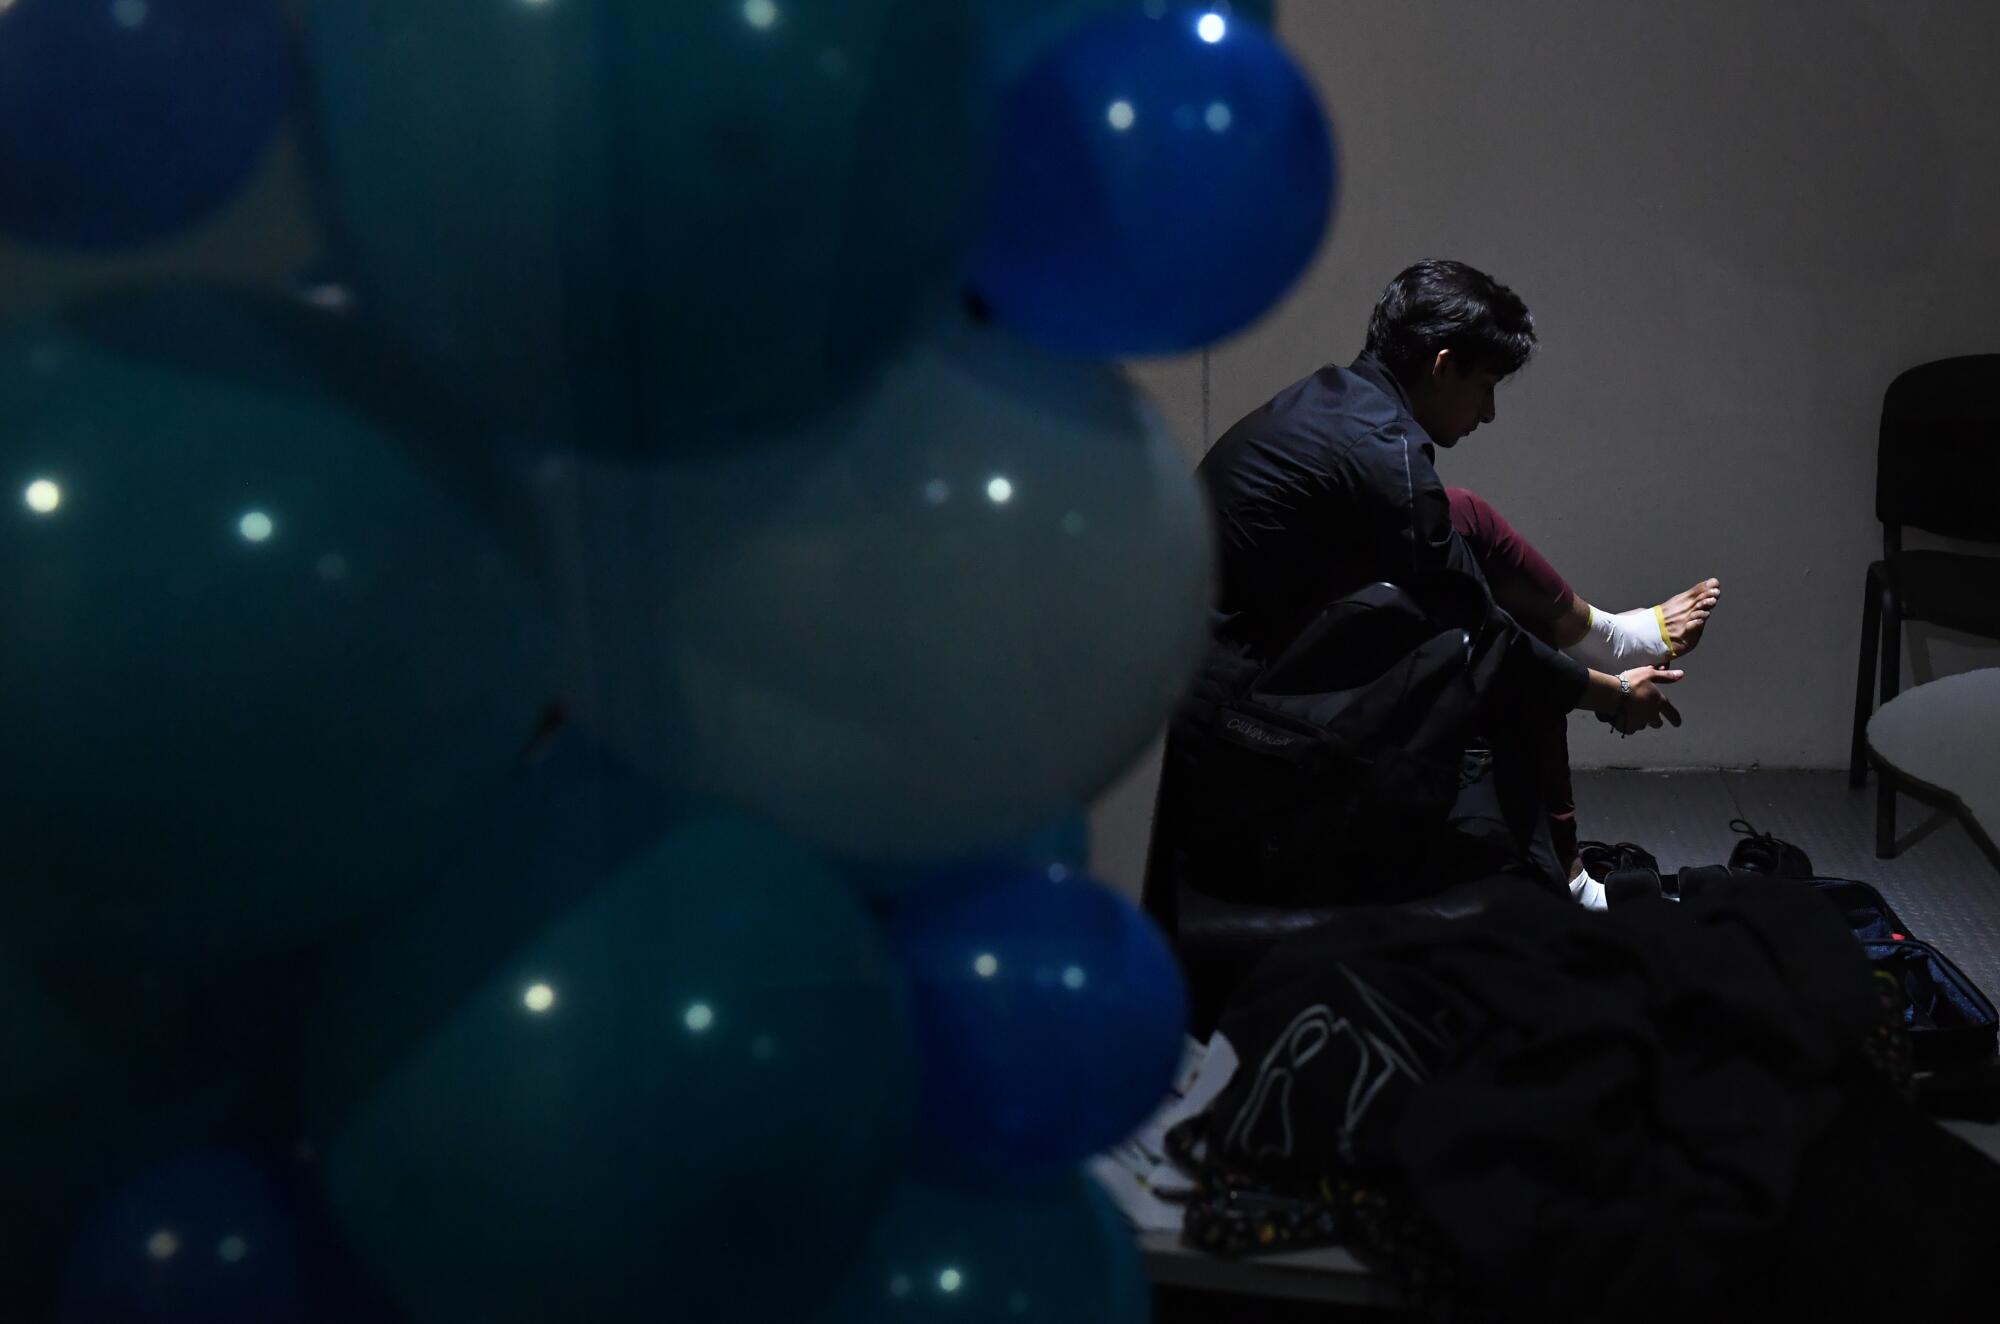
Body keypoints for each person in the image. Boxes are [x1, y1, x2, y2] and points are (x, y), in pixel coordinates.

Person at [1196, 259, 1717, 904]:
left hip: (1235, 669)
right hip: (1239, 727)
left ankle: (1573, 839)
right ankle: (1570, 874)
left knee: (1462, 526)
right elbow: (1481, 629)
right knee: (1485, 636)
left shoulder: (1339, 402)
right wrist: (1610, 698)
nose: (1490, 413)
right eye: (1488, 386)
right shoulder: (1383, 451)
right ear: (1442, 367)